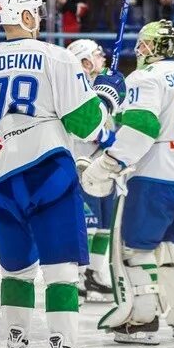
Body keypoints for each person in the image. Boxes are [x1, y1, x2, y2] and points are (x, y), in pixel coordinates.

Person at [0, 0, 124, 348]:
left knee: (14, 271)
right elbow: (87, 124)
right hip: (48, 170)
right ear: (28, 17)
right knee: (61, 272)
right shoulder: (57, 57)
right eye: (37, 12)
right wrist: (106, 95)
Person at [84, 21, 174, 346]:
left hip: (154, 177)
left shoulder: (145, 77)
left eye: (143, 44)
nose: (139, 49)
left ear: (151, 47)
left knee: (136, 249)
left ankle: (141, 320)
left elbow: (143, 127)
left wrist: (110, 162)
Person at [65, 39, 116, 302]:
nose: (103, 57)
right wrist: (107, 136)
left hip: (104, 165)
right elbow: (86, 130)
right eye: (97, 54)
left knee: (105, 224)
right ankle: (78, 276)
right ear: (84, 62)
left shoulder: (98, 84)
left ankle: (94, 275)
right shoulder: (76, 87)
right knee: (89, 225)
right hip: (82, 165)